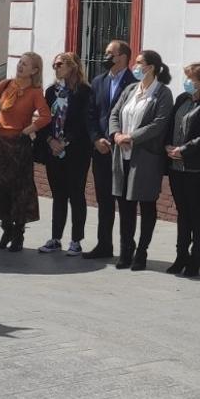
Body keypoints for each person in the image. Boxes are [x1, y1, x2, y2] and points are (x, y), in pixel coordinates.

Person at [108, 50, 174, 270]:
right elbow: (115, 113)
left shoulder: (162, 93)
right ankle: (126, 249)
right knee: (125, 207)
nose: (135, 67)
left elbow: (159, 124)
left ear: (152, 67)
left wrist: (132, 137)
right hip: (122, 155)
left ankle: (141, 252)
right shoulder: (129, 90)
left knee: (146, 205)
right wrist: (116, 134)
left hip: (146, 158)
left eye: (139, 63)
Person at [0, 52, 51, 252]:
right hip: (0, 143)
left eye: (25, 64)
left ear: (34, 70)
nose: (20, 66)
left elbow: (45, 116)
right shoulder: (5, 84)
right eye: (20, 62)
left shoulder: (35, 92)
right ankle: (6, 231)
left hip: (19, 145)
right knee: (0, 188)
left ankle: (18, 234)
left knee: (19, 191)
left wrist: (29, 130)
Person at [165, 61, 200, 277]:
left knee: (197, 213)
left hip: (197, 167)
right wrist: (168, 145)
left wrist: (185, 149)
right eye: (186, 77)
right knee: (182, 212)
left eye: (192, 78)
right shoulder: (182, 99)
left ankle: (195, 257)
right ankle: (181, 255)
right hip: (175, 165)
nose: (187, 81)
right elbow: (171, 125)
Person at [83, 40, 136, 260]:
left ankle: (127, 248)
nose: (105, 56)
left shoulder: (135, 83)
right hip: (101, 150)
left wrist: (117, 139)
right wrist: (96, 139)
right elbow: (91, 114)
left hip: (123, 150)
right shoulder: (98, 81)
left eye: (110, 53)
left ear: (122, 57)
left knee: (124, 202)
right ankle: (104, 244)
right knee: (104, 200)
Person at [37, 52, 93, 256]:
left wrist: (65, 141)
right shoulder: (52, 91)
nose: (56, 68)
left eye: (60, 64)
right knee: (58, 195)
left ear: (73, 66)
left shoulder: (84, 91)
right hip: (54, 150)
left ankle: (76, 240)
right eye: (54, 65)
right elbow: (45, 119)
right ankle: (55, 238)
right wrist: (50, 141)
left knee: (76, 194)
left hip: (76, 151)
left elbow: (84, 122)